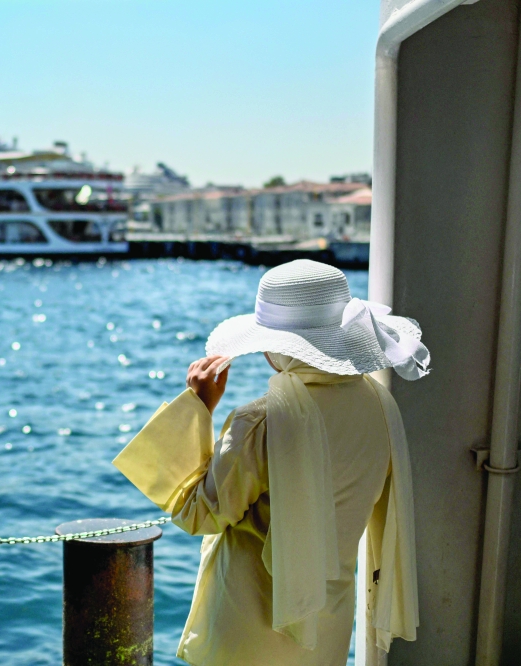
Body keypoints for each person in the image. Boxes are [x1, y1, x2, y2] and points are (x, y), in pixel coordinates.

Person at [113, 260, 429, 666]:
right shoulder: (379, 407)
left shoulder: (263, 420)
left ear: (278, 346)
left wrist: (198, 409)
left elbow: (199, 514)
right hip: (327, 625)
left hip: (252, 624)